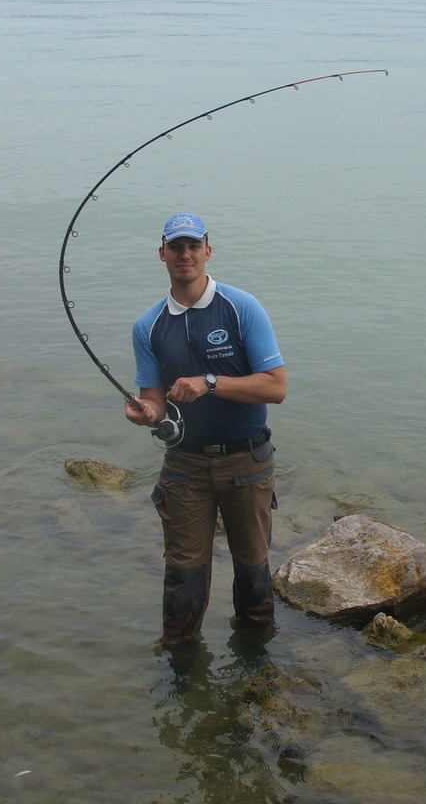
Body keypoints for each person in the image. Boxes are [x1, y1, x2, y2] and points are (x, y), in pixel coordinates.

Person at [125, 213, 287, 647]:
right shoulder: (148, 326)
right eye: (176, 247)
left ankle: (256, 660)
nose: (185, 255)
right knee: (183, 573)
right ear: (162, 254)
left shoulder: (241, 307)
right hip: (184, 467)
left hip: (247, 461)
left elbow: (276, 388)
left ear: (208, 252)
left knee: (253, 566)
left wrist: (210, 382)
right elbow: (156, 401)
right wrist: (147, 414)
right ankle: (180, 661)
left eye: (193, 246)